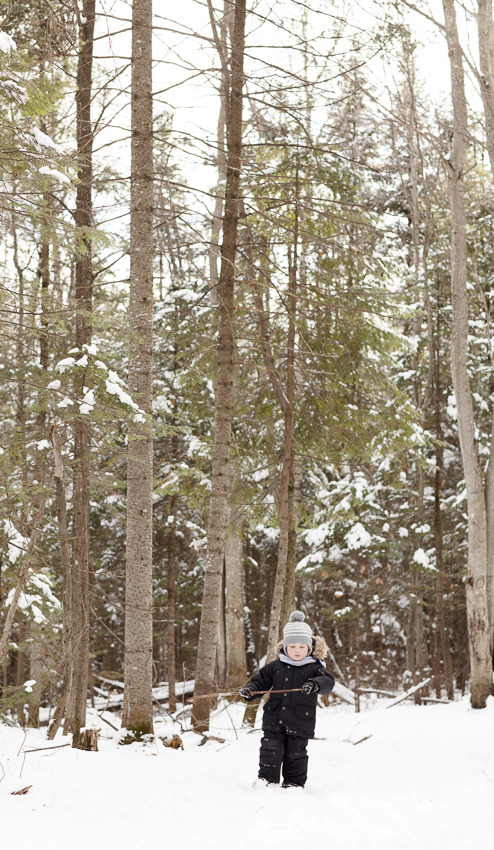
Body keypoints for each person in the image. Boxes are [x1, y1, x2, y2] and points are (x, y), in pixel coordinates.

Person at [240, 611, 335, 788]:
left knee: (296, 754)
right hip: (274, 718)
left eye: (302, 646)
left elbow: (328, 682)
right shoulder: (275, 667)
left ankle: (293, 784)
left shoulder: (315, 668)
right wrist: (250, 691)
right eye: (292, 646)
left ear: (309, 648)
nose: (297, 650)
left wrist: (315, 684)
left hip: (301, 720)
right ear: (284, 647)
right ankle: (266, 782)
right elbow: (260, 682)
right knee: (270, 750)